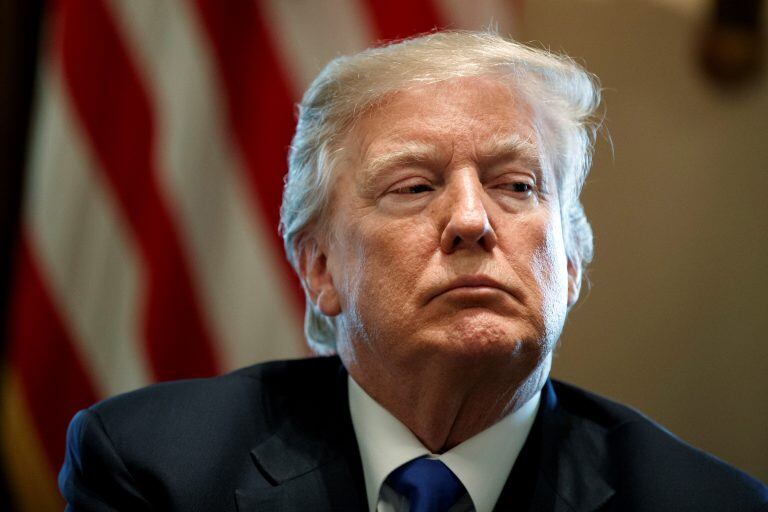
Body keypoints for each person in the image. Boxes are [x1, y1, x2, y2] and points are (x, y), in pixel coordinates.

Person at [59, 31, 767, 511]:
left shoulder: (704, 502)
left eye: (517, 186)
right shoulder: (157, 470)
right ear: (319, 267)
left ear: (572, 262)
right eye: (415, 187)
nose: (470, 220)